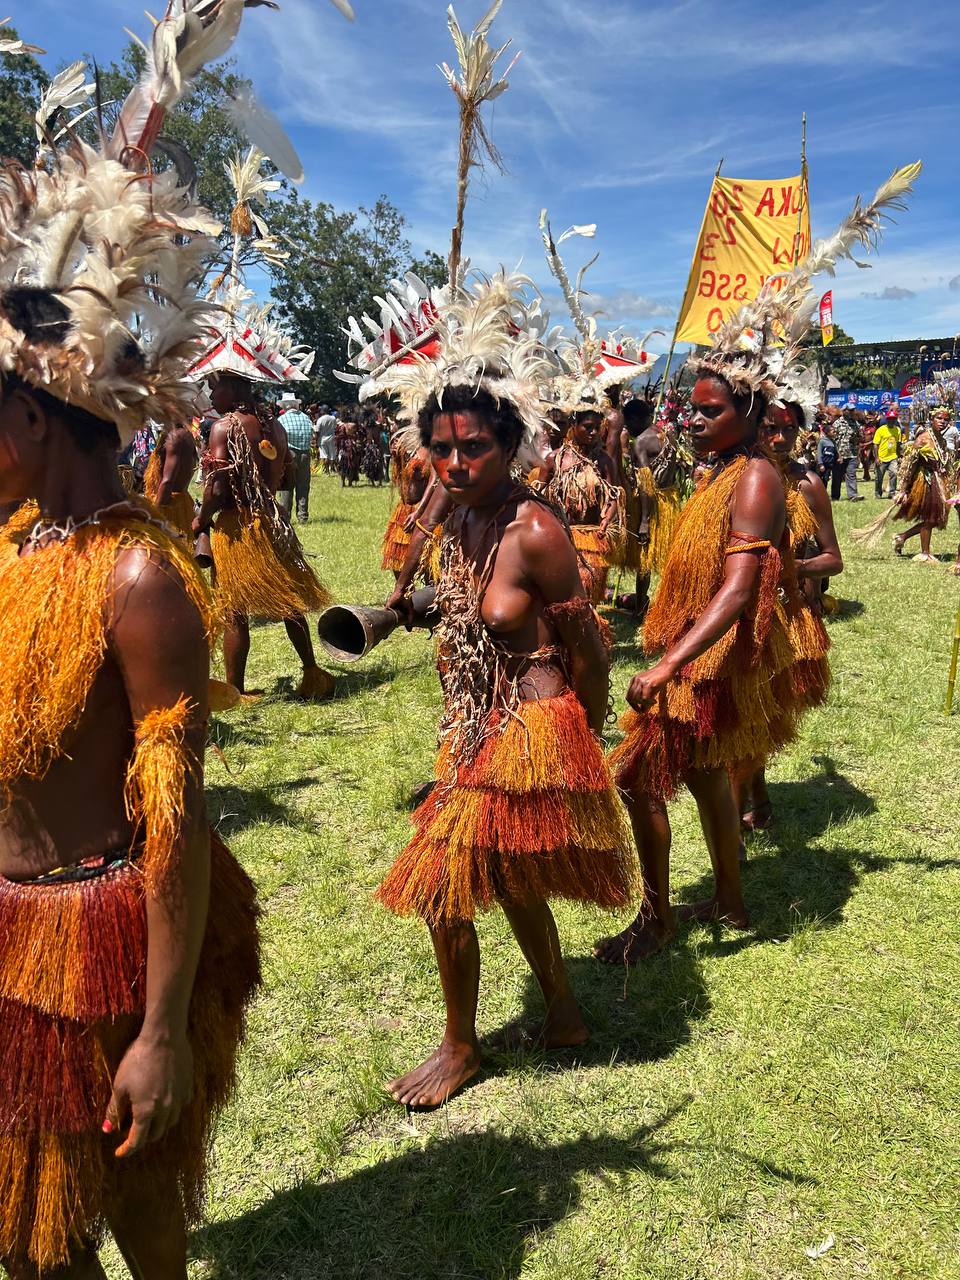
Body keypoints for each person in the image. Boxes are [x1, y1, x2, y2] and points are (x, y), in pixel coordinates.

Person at [0, 6, 265, 1269]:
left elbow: (176, 822)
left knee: (135, 1196)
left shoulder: (139, 570)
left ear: (42, 412)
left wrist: (160, 1029)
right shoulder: (9, 548)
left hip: (98, 935)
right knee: (29, 1230)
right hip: (8, 931)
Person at [593, 156, 919, 962]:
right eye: (691, 409)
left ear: (747, 410)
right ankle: (731, 904)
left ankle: (660, 918)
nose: (694, 420)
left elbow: (739, 590)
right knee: (708, 775)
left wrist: (670, 664)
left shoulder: (762, 478)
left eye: (708, 411)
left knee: (638, 780)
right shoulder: (723, 470)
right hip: (705, 650)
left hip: (710, 658)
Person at [376, 273, 635, 1107]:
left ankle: (461, 1046)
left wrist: (584, 741)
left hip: (530, 724)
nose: (453, 463)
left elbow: (588, 647)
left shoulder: (535, 528)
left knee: (441, 884)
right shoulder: (459, 514)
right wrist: (411, 608)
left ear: (509, 443)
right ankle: (561, 1013)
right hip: (476, 722)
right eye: (442, 448)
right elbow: (467, 603)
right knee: (513, 880)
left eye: (474, 448)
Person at [732, 398, 842, 831]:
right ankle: (755, 799)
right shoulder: (736, 480)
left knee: (763, 711)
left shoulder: (808, 485)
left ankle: (744, 814)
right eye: (769, 428)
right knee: (746, 710)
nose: (779, 438)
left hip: (787, 618)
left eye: (789, 430)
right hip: (741, 614)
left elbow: (833, 559)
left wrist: (788, 569)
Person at [193, 373, 335, 699]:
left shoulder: (223, 428)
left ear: (235, 387)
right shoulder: (275, 427)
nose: (211, 395)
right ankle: (311, 672)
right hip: (272, 521)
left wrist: (201, 518)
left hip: (238, 527)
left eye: (216, 387)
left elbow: (215, 487)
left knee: (234, 609)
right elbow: (284, 478)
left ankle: (235, 691)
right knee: (289, 602)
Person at [535, 403, 622, 603]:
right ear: (574, 424)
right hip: (559, 535)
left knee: (587, 591)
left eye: (597, 427)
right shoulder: (554, 459)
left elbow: (613, 495)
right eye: (588, 427)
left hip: (592, 536)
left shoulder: (604, 461)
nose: (594, 432)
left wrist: (608, 516)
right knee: (557, 594)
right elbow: (536, 494)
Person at [892, 413, 949, 563]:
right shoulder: (923, 439)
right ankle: (925, 553)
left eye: (946, 419)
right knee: (930, 517)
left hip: (937, 481)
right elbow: (909, 466)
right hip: (924, 481)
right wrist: (903, 490)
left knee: (935, 519)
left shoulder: (942, 441)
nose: (942, 422)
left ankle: (902, 537)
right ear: (931, 420)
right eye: (939, 418)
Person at [381, 429, 432, 577]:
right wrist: (398, 457)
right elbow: (402, 479)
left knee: (427, 559)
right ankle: (405, 597)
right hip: (404, 511)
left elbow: (434, 483)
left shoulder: (432, 451)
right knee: (398, 561)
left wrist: (420, 511)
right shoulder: (412, 450)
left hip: (423, 510)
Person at [142, 421, 199, 537]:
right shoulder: (183, 434)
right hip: (179, 503)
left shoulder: (176, 437)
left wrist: (155, 515)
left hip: (169, 507)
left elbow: (168, 481)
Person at [275, 391, 314, 524]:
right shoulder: (306, 418)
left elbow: (278, 438)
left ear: (285, 406)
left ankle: (285, 516)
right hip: (305, 453)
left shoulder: (282, 419)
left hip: (289, 453)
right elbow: (312, 434)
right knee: (303, 486)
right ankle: (303, 516)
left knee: (287, 485)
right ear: (295, 405)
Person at [831, 406, 863, 501]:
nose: (852, 412)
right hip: (839, 455)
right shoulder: (837, 423)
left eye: (853, 410)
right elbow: (832, 439)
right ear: (844, 411)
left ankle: (853, 495)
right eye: (850, 410)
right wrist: (836, 454)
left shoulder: (855, 424)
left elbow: (861, 438)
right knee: (837, 476)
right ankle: (835, 496)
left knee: (851, 474)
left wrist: (856, 439)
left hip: (851, 454)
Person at [873, 409, 902, 498]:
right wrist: (877, 457)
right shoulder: (880, 430)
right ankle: (878, 493)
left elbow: (898, 443)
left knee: (894, 473)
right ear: (886, 419)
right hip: (881, 457)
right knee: (879, 477)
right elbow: (875, 444)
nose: (891, 421)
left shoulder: (897, 430)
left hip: (893, 457)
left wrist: (899, 455)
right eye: (890, 419)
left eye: (893, 419)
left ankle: (892, 492)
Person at [316, 404, 338, 473]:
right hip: (332, 438)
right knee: (332, 455)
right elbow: (335, 427)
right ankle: (331, 468)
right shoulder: (333, 418)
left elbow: (317, 431)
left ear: (322, 411)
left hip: (322, 439)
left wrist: (317, 440)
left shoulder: (320, 419)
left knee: (325, 455)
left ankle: (327, 470)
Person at [816, 416, 837, 483]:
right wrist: (820, 464)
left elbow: (835, 452)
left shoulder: (833, 442)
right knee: (819, 480)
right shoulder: (822, 441)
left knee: (825, 479)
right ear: (827, 432)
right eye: (833, 432)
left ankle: (823, 492)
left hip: (829, 465)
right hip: (823, 464)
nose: (835, 433)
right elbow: (819, 453)